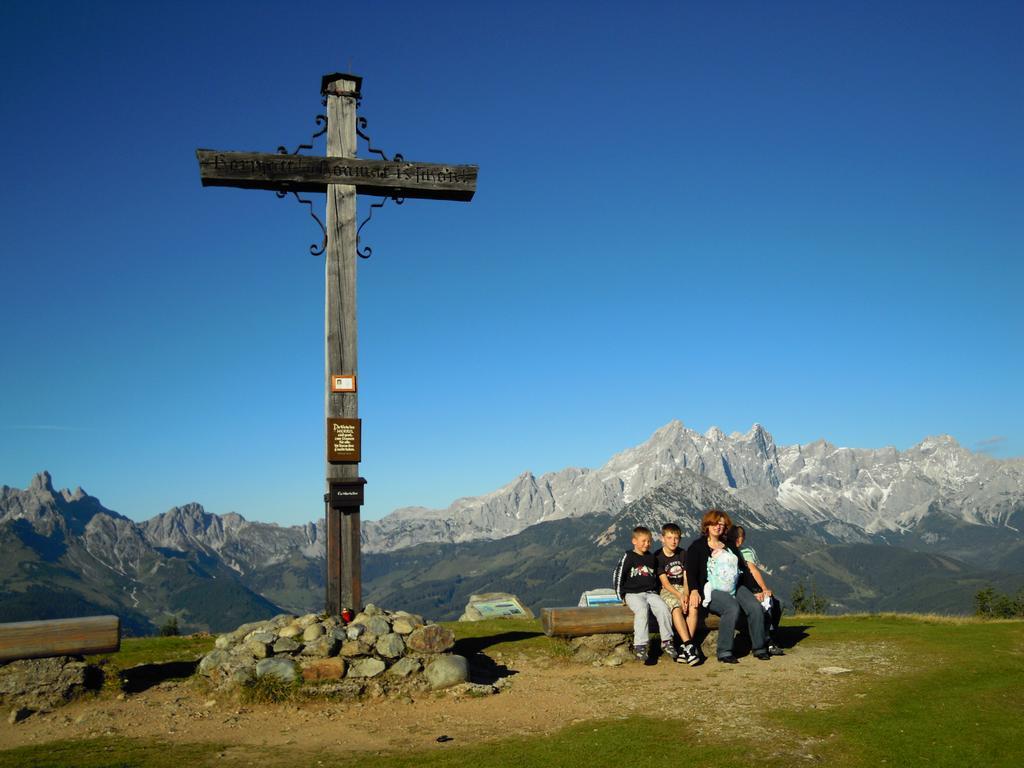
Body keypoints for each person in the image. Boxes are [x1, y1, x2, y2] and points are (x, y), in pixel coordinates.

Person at [685, 509, 781, 664]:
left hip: (736, 586)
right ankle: (724, 651)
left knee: (755, 607)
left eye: (722, 525)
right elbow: (691, 572)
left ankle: (759, 647)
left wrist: (756, 590)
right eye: (715, 524)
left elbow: (743, 569)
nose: (718, 527)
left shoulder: (729, 545)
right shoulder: (698, 547)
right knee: (732, 607)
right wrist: (694, 590)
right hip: (712, 589)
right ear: (707, 525)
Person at [613, 525, 678, 662]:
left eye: (649, 541)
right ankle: (640, 645)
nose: (646, 544)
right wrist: (621, 596)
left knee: (663, 608)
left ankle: (667, 641)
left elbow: (657, 577)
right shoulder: (628, 556)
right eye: (643, 541)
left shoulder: (652, 558)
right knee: (642, 610)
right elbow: (618, 576)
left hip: (651, 593)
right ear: (634, 541)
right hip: (632, 594)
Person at [730, 525, 784, 655]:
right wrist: (761, 589)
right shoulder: (730, 552)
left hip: (751, 587)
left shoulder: (747, 551)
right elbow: (751, 571)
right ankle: (766, 640)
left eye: (739, 537)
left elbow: (754, 571)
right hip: (739, 589)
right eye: (735, 537)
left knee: (778, 602)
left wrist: (763, 588)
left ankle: (769, 634)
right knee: (763, 605)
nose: (738, 540)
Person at [655, 523, 701, 665]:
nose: (673, 541)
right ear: (662, 539)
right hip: (668, 590)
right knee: (676, 609)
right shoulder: (657, 557)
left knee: (693, 606)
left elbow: (687, 577)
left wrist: (686, 594)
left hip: (683, 587)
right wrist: (679, 596)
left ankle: (684, 649)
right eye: (669, 538)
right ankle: (689, 645)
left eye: (676, 538)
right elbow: (665, 583)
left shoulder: (683, 554)